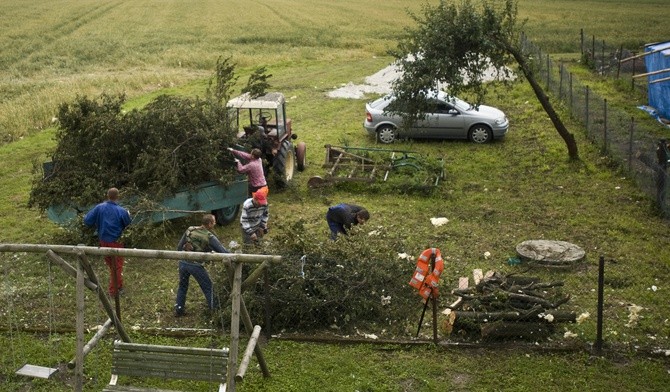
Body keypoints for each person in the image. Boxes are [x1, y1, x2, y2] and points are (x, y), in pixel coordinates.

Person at [174, 213, 229, 317]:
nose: (215, 223)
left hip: (183, 263)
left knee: (182, 286)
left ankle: (179, 309)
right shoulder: (209, 237)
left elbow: (179, 247)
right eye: (214, 222)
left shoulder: (190, 229)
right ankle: (216, 312)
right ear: (209, 224)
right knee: (208, 287)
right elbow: (222, 251)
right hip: (195, 265)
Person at [83, 187, 132, 297]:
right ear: (117, 197)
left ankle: (118, 285)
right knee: (117, 266)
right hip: (116, 241)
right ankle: (114, 291)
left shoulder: (99, 208)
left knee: (112, 265)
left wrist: (98, 222)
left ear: (107, 195)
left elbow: (87, 220)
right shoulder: (121, 211)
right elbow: (128, 223)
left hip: (103, 241)